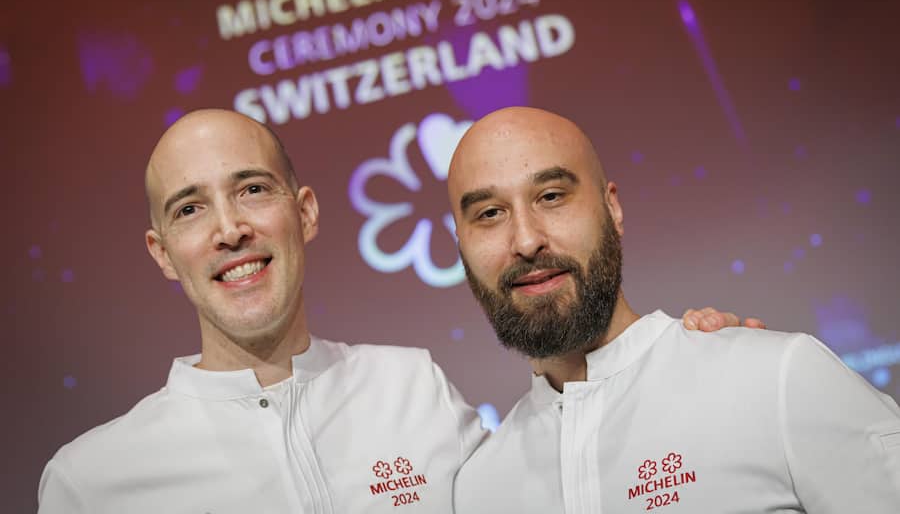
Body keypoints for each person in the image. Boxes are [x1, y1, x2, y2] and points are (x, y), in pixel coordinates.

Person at [37, 108, 751, 513]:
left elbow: (561, 470)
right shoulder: (92, 481)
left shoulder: (413, 388)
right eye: (191, 209)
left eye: (253, 189)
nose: (229, 228)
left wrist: (679, 373)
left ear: (305, 212)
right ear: (163, 252)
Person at [449, 107, 900, 513]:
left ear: (613, 209)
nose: (526, 241)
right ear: (462, 247)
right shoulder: (478, 491)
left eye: (551, 196)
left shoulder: (777, 378)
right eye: (489, 213)